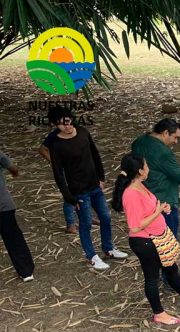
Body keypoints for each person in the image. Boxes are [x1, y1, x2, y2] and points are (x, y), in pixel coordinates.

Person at [112, 154, 180, 325]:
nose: (148, 168)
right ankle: (158, 313)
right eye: (146, 165)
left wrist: (161, 208)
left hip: (158, 237)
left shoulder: (141, 185)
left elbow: (149, 210)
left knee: (171, 268)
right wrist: (157, 212)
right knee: (152, 278)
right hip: (145, 241)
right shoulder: (131, 194)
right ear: (140, 171)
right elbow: (135, 226)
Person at [48, 107, 128, 270]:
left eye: (68, 122)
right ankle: (91, 256)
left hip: (95, 185)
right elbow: (58, 174)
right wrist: (69, 197)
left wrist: (101, 177)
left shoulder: (83, 132)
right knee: (85, 224)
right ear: (55, 125)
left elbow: (95, 154)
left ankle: (108, 248)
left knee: (105, 217)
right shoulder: (56, 145)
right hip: (79, 191)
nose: (67, 126)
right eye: (62, 124)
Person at [0, 150, 35, 281]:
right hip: (3, 205)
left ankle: (26, 271)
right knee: (13, 238)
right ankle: (26, 271)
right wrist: (15, 173)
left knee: (13, 237)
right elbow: (12, 168)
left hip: (3, 205)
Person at [39, 126, 77, 233]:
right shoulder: (55, 135)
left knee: (83, 191)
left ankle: (85, 217)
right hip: (65, 169)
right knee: (69, 193)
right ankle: (70, 224)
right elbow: (42, 149)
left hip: (78, 167)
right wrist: (55, 162)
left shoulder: (76, 131)